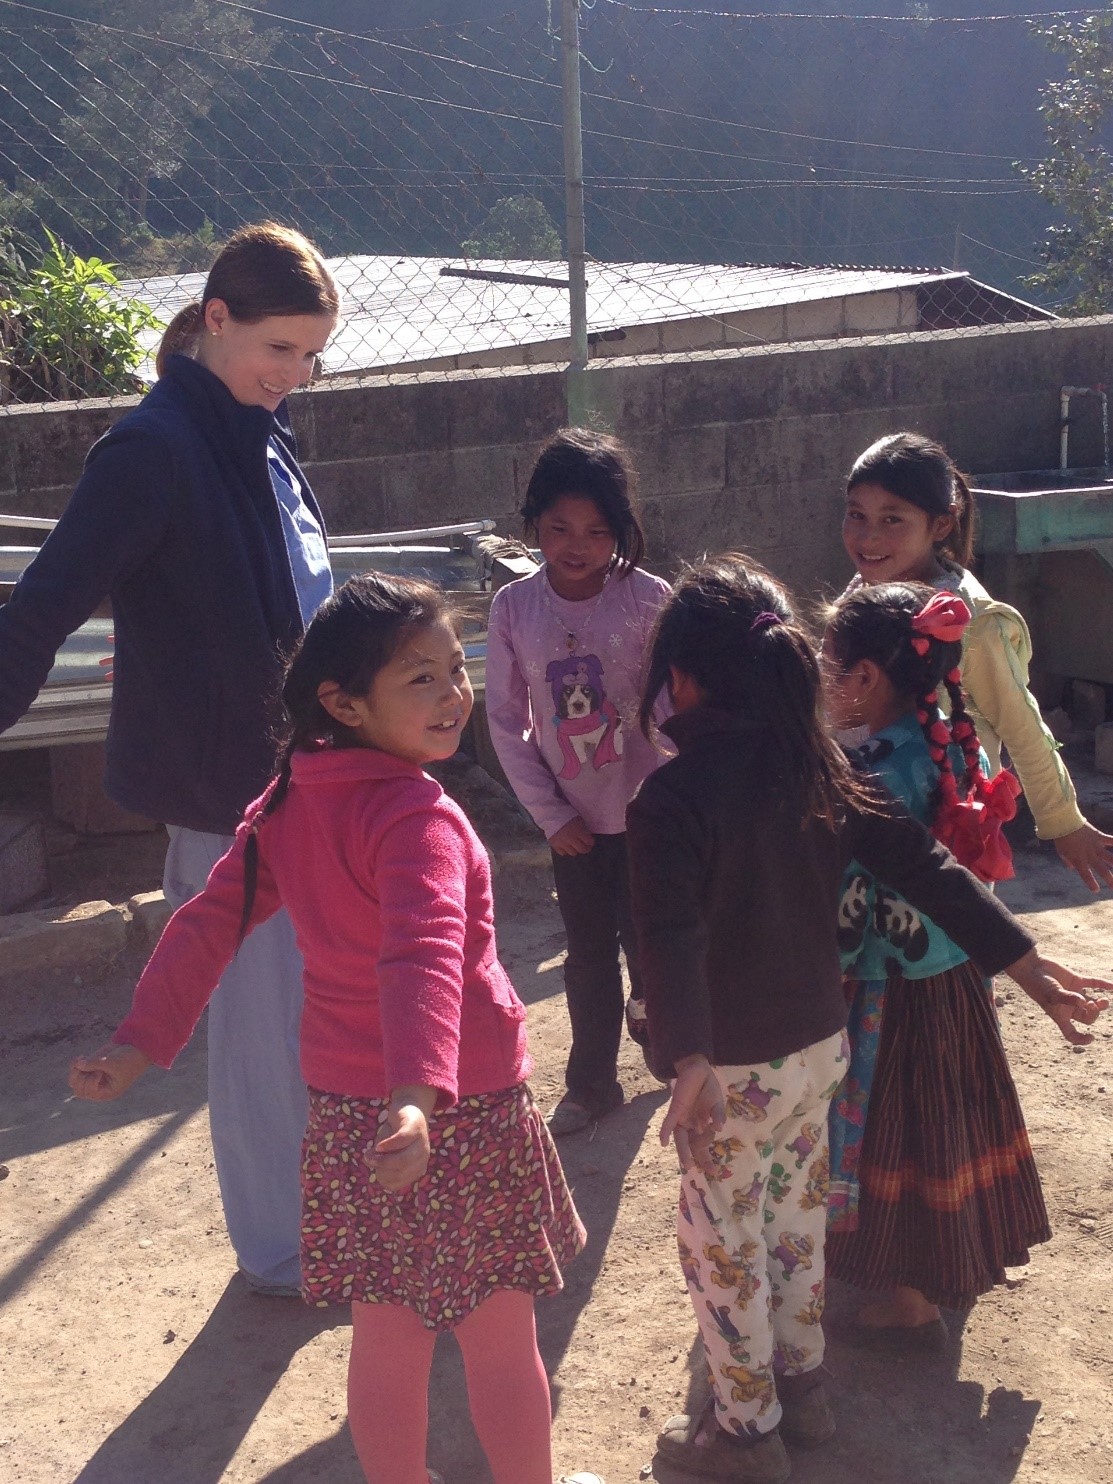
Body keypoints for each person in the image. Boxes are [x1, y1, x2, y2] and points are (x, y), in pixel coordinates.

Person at [68, 573, 601, 1484]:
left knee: (385, 1330)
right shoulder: (413, 816)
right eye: (418, 680)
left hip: (354, 1115)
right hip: (448, 1110)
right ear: (343, 702)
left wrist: (138, 1042)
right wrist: (418, 1095)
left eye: (448, 670)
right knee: (499, 1331)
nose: (450, 695)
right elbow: (424, 954)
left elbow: (208, 921)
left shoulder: (292, 800)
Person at [624, 555, 1108, 1484]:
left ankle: (744, 1433)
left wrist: (683, 1053)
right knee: (795, 1222)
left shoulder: (670, 799)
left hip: (727, 1069)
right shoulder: (822, 768)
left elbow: (669, 937)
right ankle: (802, 1392)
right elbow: (924, 867)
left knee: (720, 1239)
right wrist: (1024, 962)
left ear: (680, 680)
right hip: (818, 1050)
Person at [0, 221, 340, 1294]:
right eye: (277, 348)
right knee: (257, 1035)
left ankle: (314, 1224)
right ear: (217, 319)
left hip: (311, 782)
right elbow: (45, 601)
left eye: (311, 355)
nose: (293, 376)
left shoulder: (255, 427)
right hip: (228, 796)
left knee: (309, 1017)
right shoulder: (152, 449)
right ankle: (284, 1250)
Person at [821, 581, 1094, 1346]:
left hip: (884, 985)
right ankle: (926, 1275)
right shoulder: (932, 740)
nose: (815, 676)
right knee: (937, 1127)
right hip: (944, 978)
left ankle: (907, 1303)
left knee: (894, 1132)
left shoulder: (870, 769)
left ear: (865, 679)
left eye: (823, 663)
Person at [485, 427, 671, 1135]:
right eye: (558, 527)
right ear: (533, 523)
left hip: (651, 818)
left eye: (596, 531)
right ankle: (590, 1085)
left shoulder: (650, 598)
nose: (576, 544)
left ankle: (664, 1043)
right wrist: (548, 815)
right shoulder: (514, 609)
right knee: (588, 959)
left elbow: (674, 705)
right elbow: (506, 723)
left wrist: (685, 797)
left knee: (653, 950)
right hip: (575, 829)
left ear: (620, 530)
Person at [841, 431, 1113, 892]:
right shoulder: (862, 595)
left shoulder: (973, 625)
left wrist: (1063, 822)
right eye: (856, 516)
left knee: (943, 955)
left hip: (947, 835)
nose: (869, 537)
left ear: (941, 526)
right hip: (868, 821)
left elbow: (1023, 726)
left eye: (892, 519)